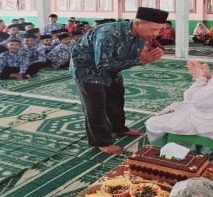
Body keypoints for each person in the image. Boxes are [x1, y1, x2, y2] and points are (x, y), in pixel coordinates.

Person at [70, 7, 168, 155]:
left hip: (112, 69)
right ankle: (101, 141)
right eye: (153, 29)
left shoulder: (142, 37)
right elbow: (102, 65)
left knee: (116, 96)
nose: (156, 34)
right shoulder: (108, 34)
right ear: (136, 24)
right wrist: (140, 60)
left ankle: (118, 127)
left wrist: (143, 57)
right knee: (96, 103)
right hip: (86, 69)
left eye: (159, 30)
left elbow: (128, 58)